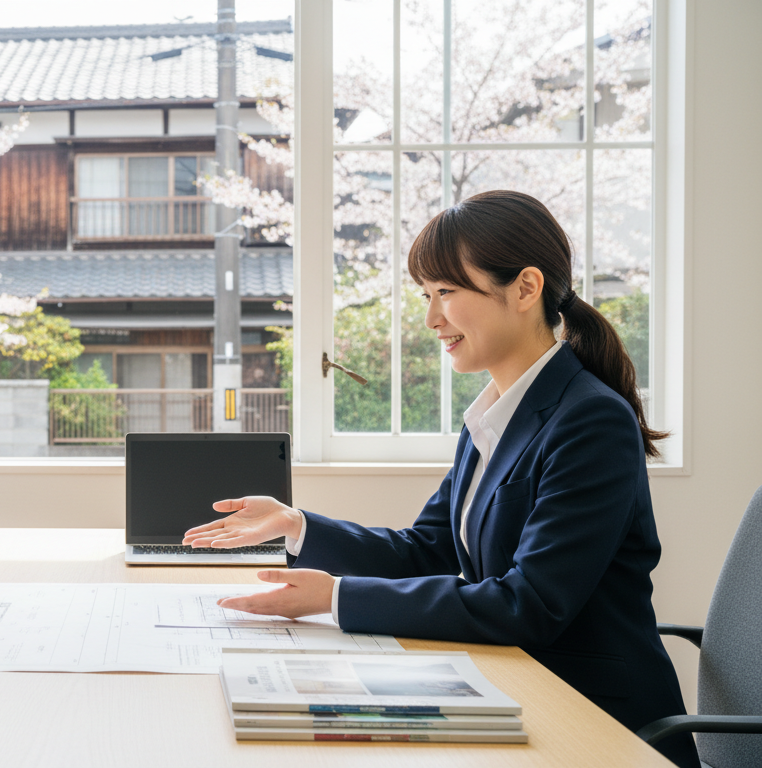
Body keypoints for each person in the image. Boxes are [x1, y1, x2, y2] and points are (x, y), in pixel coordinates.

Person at [183, 190, 698, 768]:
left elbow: (527, 604)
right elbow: (426, 548)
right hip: (516, 686)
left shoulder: (591, 419)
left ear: (526, 289)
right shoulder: (493, 413)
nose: (431, 319)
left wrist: (335, 597)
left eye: (446, 293)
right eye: (427, 295)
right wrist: (297, 525)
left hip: (596, 721)